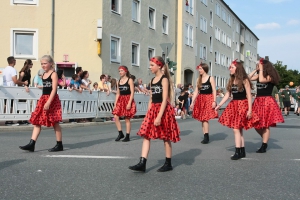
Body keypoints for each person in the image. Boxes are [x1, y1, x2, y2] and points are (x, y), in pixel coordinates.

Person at [129, 56, 180, 172]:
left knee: (165, 137)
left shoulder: (164, 79)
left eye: (152, 65)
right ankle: (142, 162)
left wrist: (159, 116)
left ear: (159, 66)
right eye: (150, 65)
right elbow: (152, 98)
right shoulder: (152, 81)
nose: (150, 67)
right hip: (153, 110)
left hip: (163, 111)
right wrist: (148, 113)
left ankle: (168, 163)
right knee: (146, 135)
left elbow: (164, 99)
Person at [215, 60, 259, 160]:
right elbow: (228, 94)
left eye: (232, 67)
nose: (229, 69)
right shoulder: (232, 79)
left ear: (237, 69)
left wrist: (250, 110)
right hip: (234, 105)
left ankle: (237, 151)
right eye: (230, 67)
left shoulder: (244, 80)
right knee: (239, 129)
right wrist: (219, 105)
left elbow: (249, 95)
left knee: (236, 129)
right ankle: (242, 151)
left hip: (242, 105)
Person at [19, 55, 63, 152]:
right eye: (42, 64)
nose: (43, 65)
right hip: (44, 98)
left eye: (45, 63)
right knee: (37, 120)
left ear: (51, 63)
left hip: (52, 99)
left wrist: (48, 102)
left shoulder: (53, 74)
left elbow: (54, 89)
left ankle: (59, 144)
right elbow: (45, 88)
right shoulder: (43, 75)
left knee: (55, 122)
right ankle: (32, 143)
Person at [248, 58, 284, 153]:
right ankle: (265, 138)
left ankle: (264, 145)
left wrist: (261, 70)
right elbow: (248, 78)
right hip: (258, 101)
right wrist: (256, 70)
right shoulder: (259, 74)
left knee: (265, 125)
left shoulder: (270, 77)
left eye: (260, 65)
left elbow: (261, 80)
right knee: (255, 123)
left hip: (267, 101)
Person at [190, 63, 218, 144]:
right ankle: (205, 135)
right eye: (199, 69)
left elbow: (214, 90)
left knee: (205, 118)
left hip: (208, 98)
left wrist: (214, 101)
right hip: (201, 99)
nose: (199, 70)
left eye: (201, 69)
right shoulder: (198, 79)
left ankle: (206, 136)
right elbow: (196, 91)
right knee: (202, 118)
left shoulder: (210, 78)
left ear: (204, 69)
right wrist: (192, 102)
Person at [112, 66, 136, 142]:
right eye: (119, 71)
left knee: (127, 118)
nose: (120, 72)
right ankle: (120, 133)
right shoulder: (118, 81)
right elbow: (118, 93)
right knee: (115, 116)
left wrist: (129, 103)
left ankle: (127, 135)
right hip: (121, 99)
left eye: (121, 71)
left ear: (125, 71)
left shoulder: (130, 80)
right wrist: (115, 104)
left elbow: (132, 92)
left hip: (128, 99)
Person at [3, 56, 28, 126]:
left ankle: (6, 119)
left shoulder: (5, 69)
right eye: (15, 60)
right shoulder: (12, 69)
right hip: (11, 88)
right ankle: (9, 120)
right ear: (13, 61)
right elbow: (15, 81)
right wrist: (24, 83)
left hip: (6, 87)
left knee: (6, 104)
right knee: (11, 105)